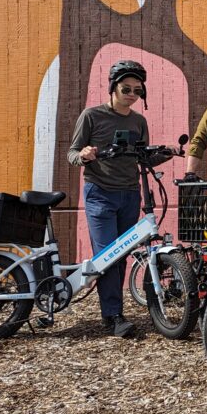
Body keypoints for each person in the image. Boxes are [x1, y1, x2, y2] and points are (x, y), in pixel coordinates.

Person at [67, 60, 150, 338]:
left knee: (122, 253)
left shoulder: (139, 121)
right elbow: (72, 152)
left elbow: (143, 154)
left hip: (130, 193)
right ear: (113, 87)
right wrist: (83, 155)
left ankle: (113, 310)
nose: (131, 94)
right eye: (126, 88)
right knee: (108, 256)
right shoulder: (91, 115)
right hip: (100, 193)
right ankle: (112, 315)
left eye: (137, 91)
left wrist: (169, 151)